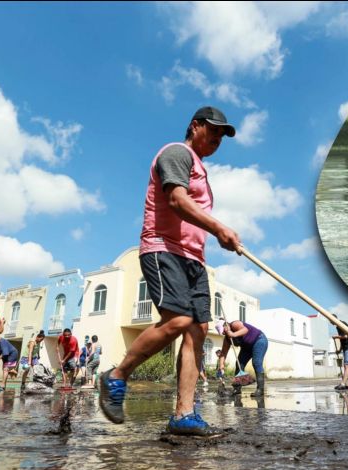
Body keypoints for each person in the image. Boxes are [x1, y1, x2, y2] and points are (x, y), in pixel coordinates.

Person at [99, 106, 241, 437]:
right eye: (213, 130)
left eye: (223, 135)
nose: (218, 138)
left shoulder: (202, 172)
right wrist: (220, 229)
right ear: (195, 126)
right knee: (178, 319)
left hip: (194, 260)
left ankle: (183, 415)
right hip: (164, 249)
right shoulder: (177, 153)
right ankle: (117, 376)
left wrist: (211, 239)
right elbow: (176, 201)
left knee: (198, 330)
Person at [216, 317, 268, 397]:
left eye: (224, 331)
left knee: (256, 362)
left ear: (226, 325)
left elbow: (245, 330)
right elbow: (223, 353)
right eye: (222, 333)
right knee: (239, 364)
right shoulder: (227, 339)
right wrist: (221, 366)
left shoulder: (235, 324)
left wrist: (233, 334)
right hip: (246, 347)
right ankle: (237, 389)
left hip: (259, 340)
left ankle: (260, 390)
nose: (224, 334)